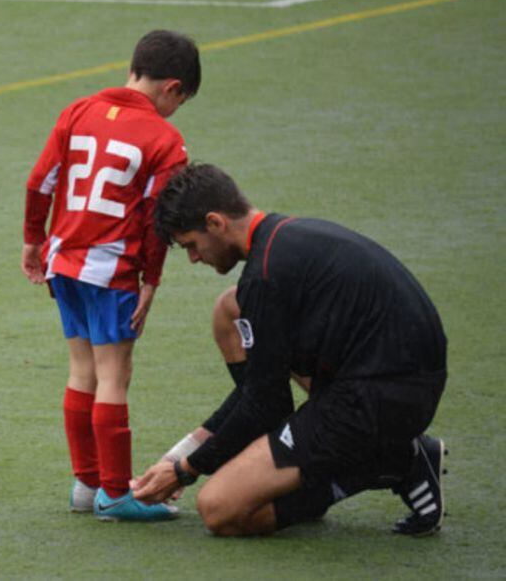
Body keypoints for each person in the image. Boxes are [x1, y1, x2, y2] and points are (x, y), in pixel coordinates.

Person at [131, 163, 448, 537]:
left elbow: (267, 405)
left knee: (220, 509)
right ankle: (306, 459)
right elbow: (258, 390)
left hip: (378, 399)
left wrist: (187, 469)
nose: (194, 258)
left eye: (191, 246)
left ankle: (390, 462)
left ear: (216, 223)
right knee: (229, 310)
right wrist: (178, 456)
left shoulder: (265, 279)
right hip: (400, 378)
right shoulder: (282, 237)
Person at [20, 30, 200, 521]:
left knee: (82, 370)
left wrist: (33, 240)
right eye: (179, 102)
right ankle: (116, 494)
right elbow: (154, 220)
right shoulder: (165, 140)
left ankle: (86, 484)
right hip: (111, 269)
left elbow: (41, 181)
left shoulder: (77, 110)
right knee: (114, 375)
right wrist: (152, 281)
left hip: (64, 261)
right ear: (173, 87)